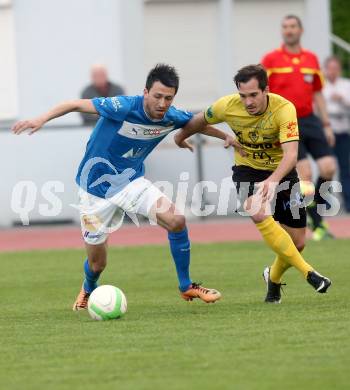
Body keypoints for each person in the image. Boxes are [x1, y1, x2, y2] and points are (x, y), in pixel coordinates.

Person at [12, 64, 236, 310]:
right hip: (94, 191)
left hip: (131, 183)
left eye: (168, 98)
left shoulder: (171, 115)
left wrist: (224, 136)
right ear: (146, 92)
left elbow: (196, 123)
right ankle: (88, 287)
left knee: (176, 220)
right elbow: (74, 104)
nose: (162, 103)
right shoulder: (123, 106)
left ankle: (186, 286)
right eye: (158, 96)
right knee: (97, 264)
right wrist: (40, 119)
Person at [174, 64, 332, 303]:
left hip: (282, 173)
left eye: (253, 95)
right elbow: (196, 121)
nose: (247, 102)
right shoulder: (227, 106)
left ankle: (273, 279)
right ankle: (309, 273)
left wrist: (273, 180)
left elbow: (291, 156)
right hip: (247, 170)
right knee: (256, 211)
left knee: (298, 242)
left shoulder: (284, 109)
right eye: (243, 95)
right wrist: (179, 137)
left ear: (266, 90)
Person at [261, 14, 337, 241]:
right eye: (285, 27)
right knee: (305, 174)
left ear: (300, 30)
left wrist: (326, 124)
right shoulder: (271, 59)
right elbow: (262, 94)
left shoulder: (311, 59)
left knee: (328, 167)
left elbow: (317, 93)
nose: (289, 30)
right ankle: (318, 223)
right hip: (286, 122)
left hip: (310, 118)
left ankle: (314, 212)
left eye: (293, 26)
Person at [323, 56, 350, 212]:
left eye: (335, 68)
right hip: (326, 133)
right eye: (330, 68)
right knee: (326, 168)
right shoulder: (321, 87)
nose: (332, 71)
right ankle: (325, 204)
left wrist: (342, 99)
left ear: (339, 70)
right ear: (325, 69)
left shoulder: (346, 85)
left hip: (343, 131)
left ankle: (348, 204)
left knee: (345, 168)